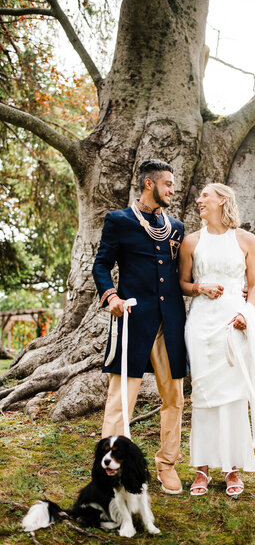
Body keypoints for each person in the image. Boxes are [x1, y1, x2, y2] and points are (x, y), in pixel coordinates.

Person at [179, 183, 255, 496]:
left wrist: (247, 316)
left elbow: (254, 286)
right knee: (204, 396)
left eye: (205, 195)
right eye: (199, 197)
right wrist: (200, 288)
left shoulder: (246, 240)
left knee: (235, 395)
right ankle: (201, 469)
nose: (199, 200)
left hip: (234, 323)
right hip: (201, 325)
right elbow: (182, 283)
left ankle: (233, 468)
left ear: (223, 200)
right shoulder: (191, 242)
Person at [92, 159, 186, 495]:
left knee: (174, 397)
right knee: (121, 399)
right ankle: (111, 468)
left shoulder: (176, 227)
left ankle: (167, 465)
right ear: (149, 184)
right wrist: (111, 295)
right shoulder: (119, 221)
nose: (172, 190)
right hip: (132, 320)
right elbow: (101, 265)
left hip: (171, 322)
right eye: (168, 184)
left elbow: (185, 271)